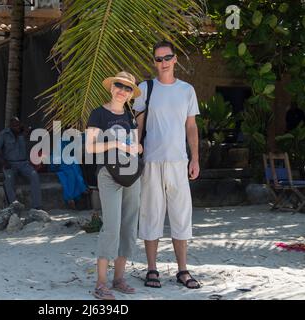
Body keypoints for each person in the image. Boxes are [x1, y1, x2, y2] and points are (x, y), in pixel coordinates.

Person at [133, 40, 201, 289]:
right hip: (151, 160)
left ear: (175, 59)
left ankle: (183, 270)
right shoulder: (145, 88)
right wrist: (134, 154)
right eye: (158, 59)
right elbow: (138, 125)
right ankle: (152, 269)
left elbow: (191, 126)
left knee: (181, 217)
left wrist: (195, 158)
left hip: (179, 162)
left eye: (167, 57)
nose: (162, 63)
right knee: (151, 215)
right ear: (154, 62)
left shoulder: (187, 90)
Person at [86, 71, 143, 300]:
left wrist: (135, 149)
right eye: (119, 85)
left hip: (131, 174)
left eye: (128, 88)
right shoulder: (98, 114)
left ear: (131, 94)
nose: (122, 90)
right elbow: (91, 148)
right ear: (111, 87)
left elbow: (138, 146)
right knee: (111, 226)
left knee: (129, 226)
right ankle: (101, 283)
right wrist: (116, 143)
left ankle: (118, 279)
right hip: (108, 174)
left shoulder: (130, 115)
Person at [0, 117, 42, 209]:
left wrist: (25, 128)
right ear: (10, 126)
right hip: (10, 163)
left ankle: (36, 206)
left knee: (34, 175)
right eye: (14, 126)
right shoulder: (4, 134)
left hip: (23, 163)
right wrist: (4, 162)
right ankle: (13, 205)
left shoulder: (23, 132)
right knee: (8, 179)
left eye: (18, 125)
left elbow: (32, 131)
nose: (16, 127)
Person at [50, 138, 88, 209]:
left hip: (67, 162)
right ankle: (80, 189)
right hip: (58, 163)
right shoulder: (60, 142)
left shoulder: (72, 141)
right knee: (71, 171)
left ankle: (73, 196)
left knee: (74, 167)